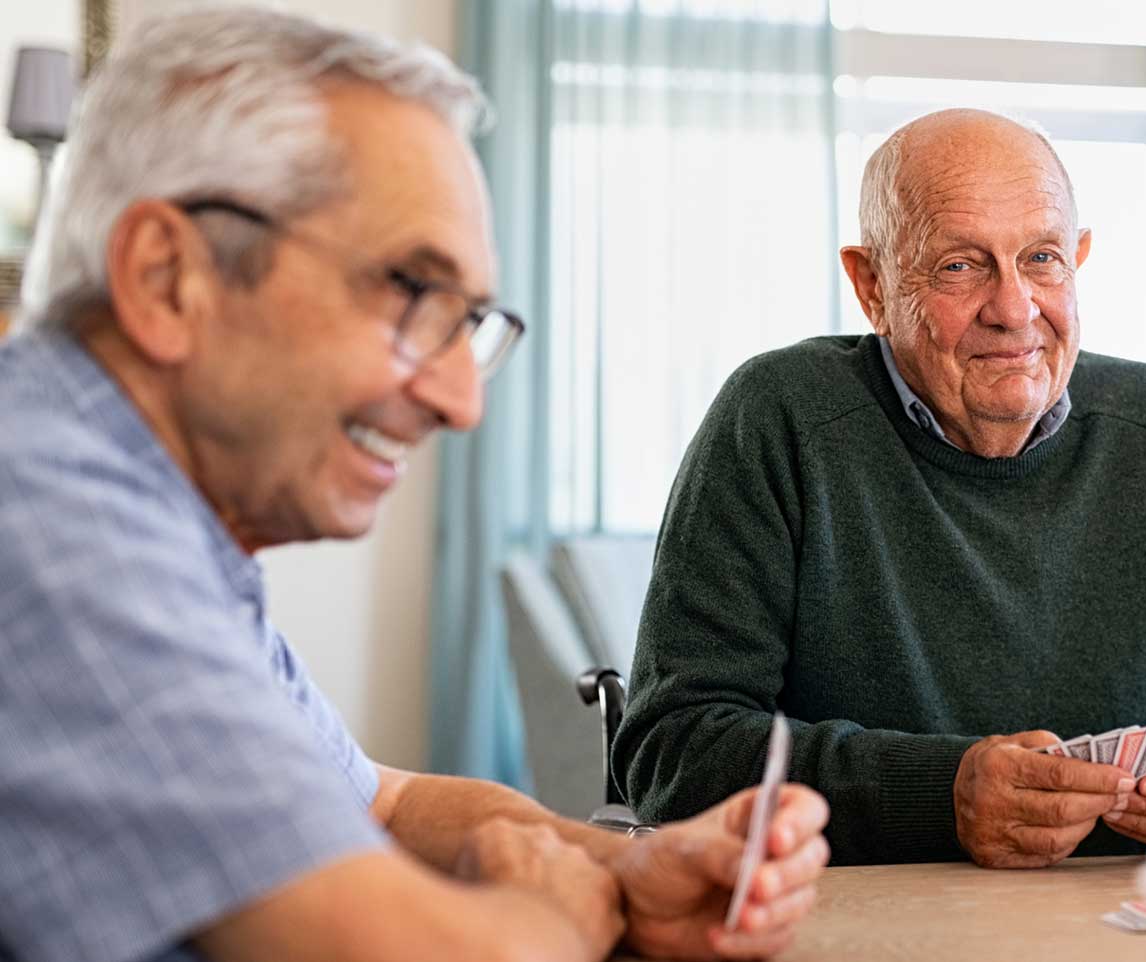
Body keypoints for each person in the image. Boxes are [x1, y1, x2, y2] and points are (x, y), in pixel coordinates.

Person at [0, 9, 828, 962]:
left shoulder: (150, 520)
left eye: (469, 321)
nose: (461, 400)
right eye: (411, 294)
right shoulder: (51, 522)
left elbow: (384, 801)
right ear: (166, 276)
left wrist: (620, 869)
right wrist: (551, 912)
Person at [613, 108, 1146, 868]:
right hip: (859, 925)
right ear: (873, 285)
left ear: (1078, 260)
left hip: (1114, 924)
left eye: (1042, 258)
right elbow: (672, 750)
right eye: (961, 265)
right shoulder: (779, 418)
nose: (1014, 310)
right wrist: (941, 794)